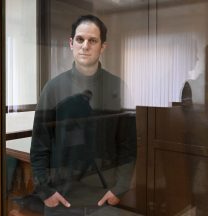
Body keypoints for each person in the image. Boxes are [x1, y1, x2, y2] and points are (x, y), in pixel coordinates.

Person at [30, 14, 137, 215]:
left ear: (102, 47)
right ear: (71, 43)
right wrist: (45, 191)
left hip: (104, 199)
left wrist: (120, 188)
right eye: (80, 39)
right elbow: (39, 146)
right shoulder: (53, 88)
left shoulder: (117, 87)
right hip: (60, 200)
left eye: (92, 40)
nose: (85, 46)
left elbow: (128, 145)